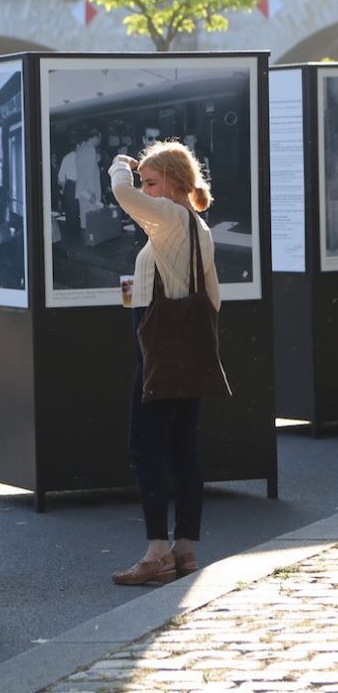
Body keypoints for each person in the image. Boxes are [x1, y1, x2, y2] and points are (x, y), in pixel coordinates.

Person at [107, 140, 220, 586]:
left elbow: (122, 194)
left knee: (145, 444)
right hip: (188, 352)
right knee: (182, 446)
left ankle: (157, 552)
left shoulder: (171, 217)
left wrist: (121, 165)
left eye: (153, 183)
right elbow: (212, 296)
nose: (146, 190)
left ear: (175, 185)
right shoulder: (197, 227)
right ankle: (185, 548)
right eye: (145, 182)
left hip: (160, 352)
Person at [75, 129, 102, 230]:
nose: (99, 141)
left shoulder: (80, 149)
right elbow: (90, 171)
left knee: (84, 220)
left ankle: (86, 242)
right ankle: (93, 241)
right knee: (93, 219)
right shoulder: (91, 149)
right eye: (99, 138)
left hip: (81, 190)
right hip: (89, 191)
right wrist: (91, 192)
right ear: (96, 137)